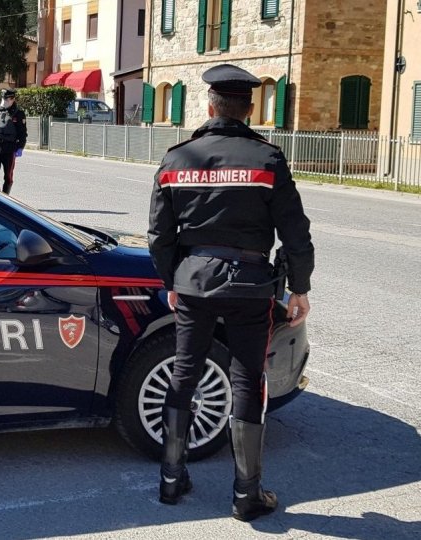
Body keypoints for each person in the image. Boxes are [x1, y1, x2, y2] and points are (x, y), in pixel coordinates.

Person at [147, 64, 315, 522]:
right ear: (250, 107)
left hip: (194, 283)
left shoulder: (177, 158)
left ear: (209, 106)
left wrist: (172, 282)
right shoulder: (267, 160)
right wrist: (299, 287)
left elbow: (159, 236)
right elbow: (295, 233)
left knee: (184, 374)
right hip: (250, 287)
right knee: (247, 379)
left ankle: (170, 478)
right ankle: (246, 494)